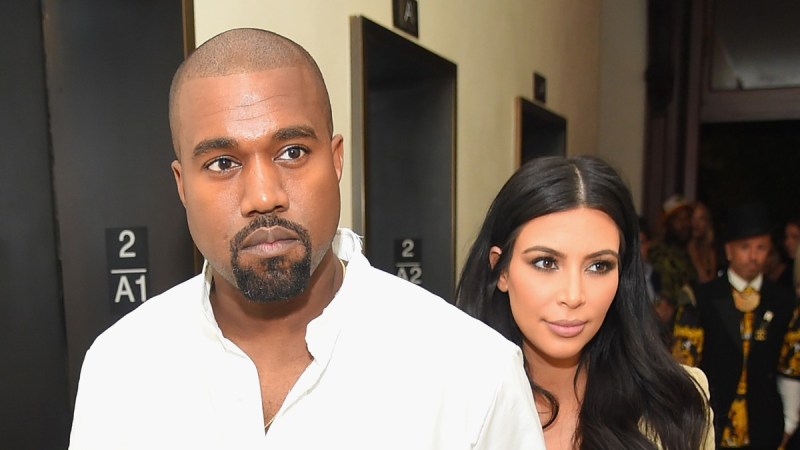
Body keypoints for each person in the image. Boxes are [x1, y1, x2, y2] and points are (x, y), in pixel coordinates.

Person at [68, 28, 545, 449]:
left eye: (292, 151)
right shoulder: (120, 367)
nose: (263, 195)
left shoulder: (473, 372)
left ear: (336, 160)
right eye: (222, 163)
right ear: (181, 186)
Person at [456, 156, 713, 449]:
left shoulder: (677, 403)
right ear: (500, 270)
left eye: (598, 266)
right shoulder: (447, 402)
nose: (574, 296)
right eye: (545, 262)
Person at [672, 203, 800, 449]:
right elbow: (684, 367)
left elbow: (791, 368)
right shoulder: (701, 298)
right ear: (729, 251)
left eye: (761, 247)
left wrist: (790, 423)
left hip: (766, 426)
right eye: (745, 247)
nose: (754, 256)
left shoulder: (784, 302)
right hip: (710, 424)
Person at [648, 194, 698, 329]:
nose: (684, 224)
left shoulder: (690, 252)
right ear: (667, 223)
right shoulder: (659, 253)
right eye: (678, 219)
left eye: (687, 218)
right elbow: (665, 297)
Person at [688, 202, 719, 283]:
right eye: (693, 218)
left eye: (701, 218)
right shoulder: (682, 249)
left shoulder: (711, 251)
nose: (696, 224)